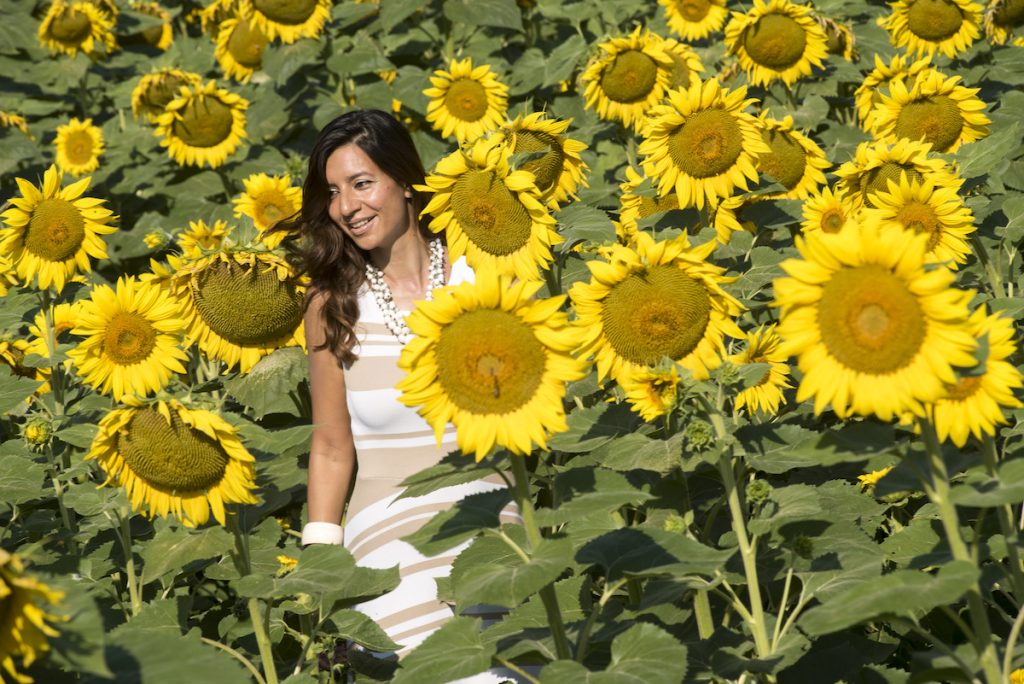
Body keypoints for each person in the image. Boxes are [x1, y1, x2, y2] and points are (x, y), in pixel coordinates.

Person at [288, 110, 521, 679]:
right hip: (389, 553)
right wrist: (320, 578)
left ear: (405, 181)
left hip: (495, 534)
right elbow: (331, 447)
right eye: (334, 193)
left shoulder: (484, 272)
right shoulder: (333, 305)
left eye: (362, 183)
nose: (346, 207)